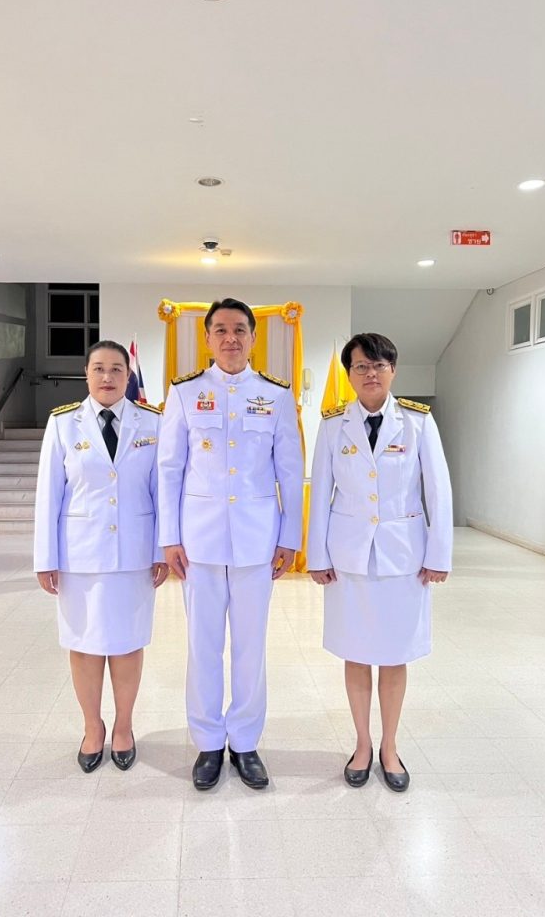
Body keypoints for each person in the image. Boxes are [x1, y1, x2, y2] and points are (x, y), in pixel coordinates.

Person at [158, 298, 304, 790]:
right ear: (207, 338)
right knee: (202, 646)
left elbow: (289, 470)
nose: (230, 338)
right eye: (220, 329)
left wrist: (289, 537)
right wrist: (169, 537)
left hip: (257, 540)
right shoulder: (184, 393)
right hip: (198, 542)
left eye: (240, 329)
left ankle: (244, 741)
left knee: (250, 646)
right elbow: (169, 469)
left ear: (253, 338)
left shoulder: (275, 395)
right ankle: (206, 742)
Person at [307, 332, 452, 792]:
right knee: (356, 652)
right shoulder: (333, 425)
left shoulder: (417, 422)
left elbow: (438, 490)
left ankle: (390, 746)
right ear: (349, 374)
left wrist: (438, 553)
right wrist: (316, 555)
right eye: (361, 366)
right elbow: (320, 492)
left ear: (393, 370)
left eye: (379, 366)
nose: (370, 374)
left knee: (393, 655)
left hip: (402, 558)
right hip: (348, 558)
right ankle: (362, 744)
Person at [34, 339, 168, 773]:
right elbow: (48, 494)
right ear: (86, 374)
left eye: (116, 369)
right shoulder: (63, 424)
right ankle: (93, 728)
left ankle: (124, 727)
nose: (107, 377)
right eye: (99, 369)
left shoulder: (152, 422)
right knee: (84, 644)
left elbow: (162, 493)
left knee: (128, 644)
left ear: (128, 376)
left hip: (134, 554)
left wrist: (161, 549)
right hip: (80, 556)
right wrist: (45, 557)